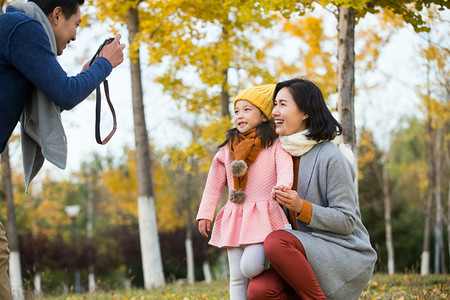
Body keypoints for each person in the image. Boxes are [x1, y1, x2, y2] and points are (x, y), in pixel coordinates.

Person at [0, 0, 125, 298]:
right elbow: (64, 93)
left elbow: (57, 91)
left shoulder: (17, 30)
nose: (75, 36)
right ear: (57, 15)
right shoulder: (24, 29)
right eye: (76, 24)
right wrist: (104, 64)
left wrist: (90, 73)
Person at [247, 78, 377, 300]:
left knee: (277, 241)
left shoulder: (331, 156)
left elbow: (347, 221)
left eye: (283, 105)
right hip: (300, 257)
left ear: (305, 112)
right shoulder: (277, 154)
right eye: (274, 105)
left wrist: (301, 207)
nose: (275, 111)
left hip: (339, 251)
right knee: (259, 290)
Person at [197, 84, 294, 300]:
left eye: (247, 110)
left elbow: (285, 166)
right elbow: (213, 183)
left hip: (263, 214)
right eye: (237, 111)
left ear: (263, 115)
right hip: (236, 214)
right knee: (237, 276)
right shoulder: (227, 149)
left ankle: (277, 278)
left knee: (250, 267)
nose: (240, 115)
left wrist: (283, 185)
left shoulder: (274, 145)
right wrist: (205, 212)